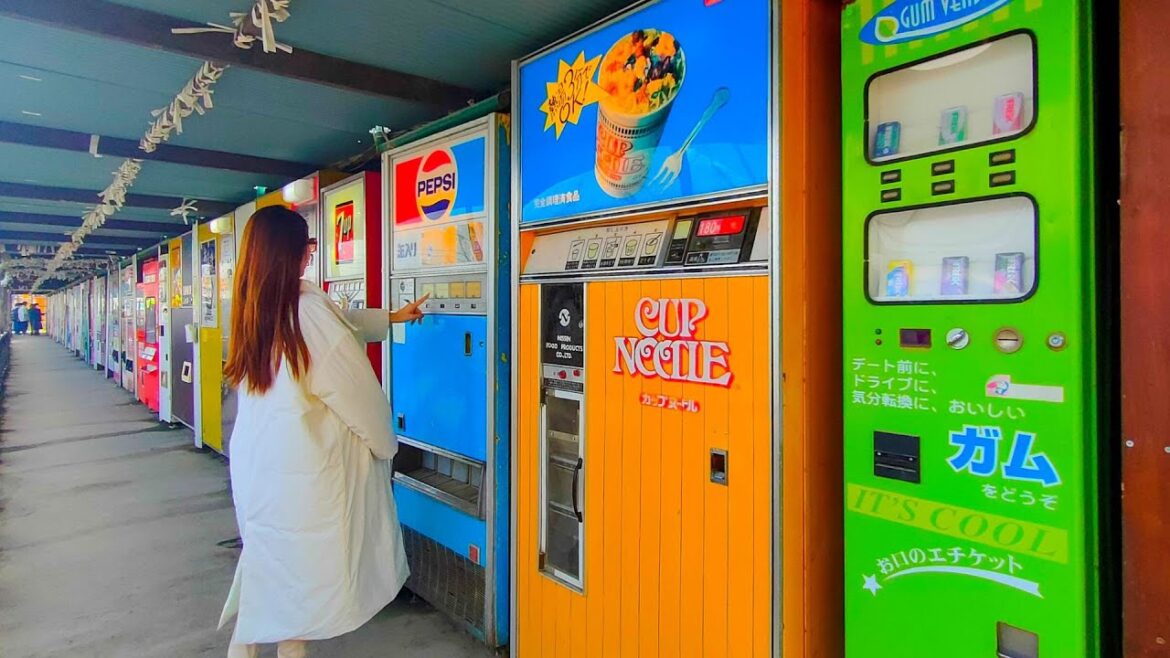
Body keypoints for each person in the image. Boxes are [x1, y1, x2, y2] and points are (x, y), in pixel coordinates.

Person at [218, 206, 427, 658]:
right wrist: (385, 445)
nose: (309, 258)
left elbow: (343, 322)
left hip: (261, 474)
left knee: (266, 584)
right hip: (302, 480)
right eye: (307, 249)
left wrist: (392, 317)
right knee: (299, 602)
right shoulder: (304, 312)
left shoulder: (257, 306)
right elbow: (356, 393)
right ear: (289, 254)